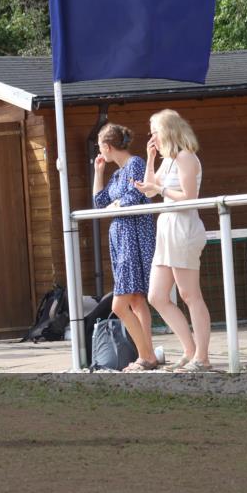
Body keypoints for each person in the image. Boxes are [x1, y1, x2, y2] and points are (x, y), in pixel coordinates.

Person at [134, 109, 212, 373]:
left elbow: (190, 196)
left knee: (190, 294)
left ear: (167, 131)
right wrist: (150, 158)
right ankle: (189, 350)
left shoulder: (186, 157)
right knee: (157, 295)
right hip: (167, 228)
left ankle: (202, 356)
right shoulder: (168, 160)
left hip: (184, 227)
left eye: (155, 130)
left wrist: (161, 189)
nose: (152, 135)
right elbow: (148, 189)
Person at [92, 123, 158, 371]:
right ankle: (147, 354)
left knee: (121, 304)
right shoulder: (117, 173)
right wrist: (98, 172)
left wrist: (115, 207)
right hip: (120, 239)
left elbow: (132, 198)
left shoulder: (135, 164)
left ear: (108, 146)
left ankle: (146, 355)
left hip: (133, 238)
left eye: (100, 148)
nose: (100, 153)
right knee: (137, 300)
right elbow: (100, 203)